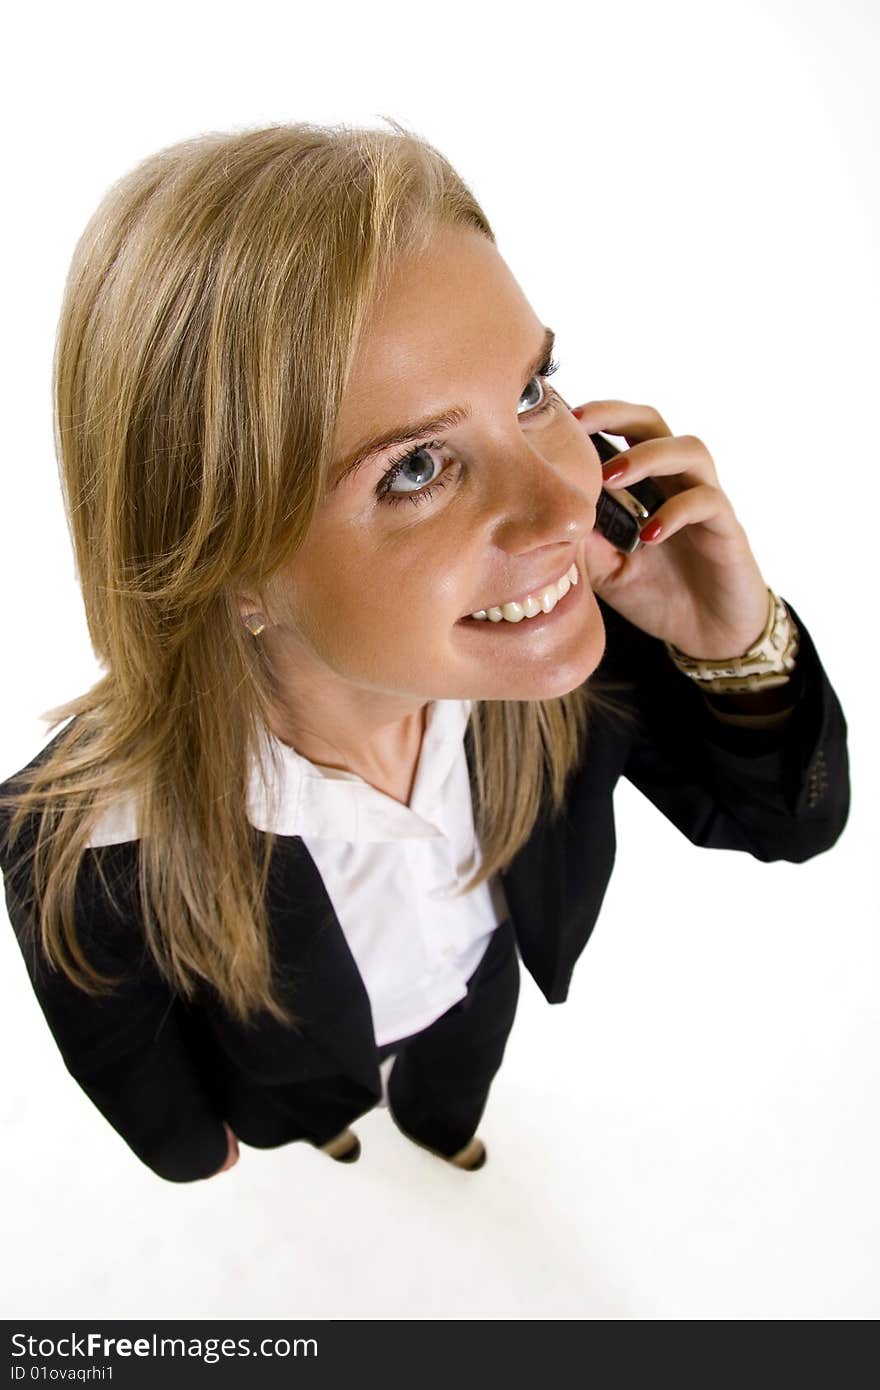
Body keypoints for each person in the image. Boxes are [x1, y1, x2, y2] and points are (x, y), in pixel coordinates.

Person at [0, 120, 850, 1184]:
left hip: (478, 981)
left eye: (531, 391)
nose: (563, 497)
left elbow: (787, 822)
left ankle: (441, 1126)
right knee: (321, 1100)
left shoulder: (571, 651)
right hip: (293, 1074)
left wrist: (732, 643)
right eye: (415, 468)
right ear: (226, 565)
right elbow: (118, 1034)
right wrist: (189, 1148)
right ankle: (338, 1124)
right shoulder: (87, 837)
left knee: (455, 1077)